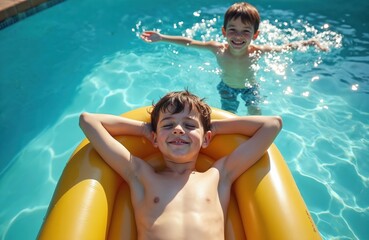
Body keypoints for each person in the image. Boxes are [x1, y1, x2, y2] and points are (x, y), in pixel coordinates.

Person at [79, 90, 282, 239]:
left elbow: (272, 124)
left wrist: (211, 128)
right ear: (155, 139)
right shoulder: (140, 174)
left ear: (206, 139)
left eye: (189, 125)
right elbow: (88, 121)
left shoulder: (219, 175)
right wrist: (145, 130)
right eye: (168, 125)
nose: (178, 129)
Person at [141, 2, 328, 115]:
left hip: (250, 88)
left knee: (255, 111)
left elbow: (285, 48)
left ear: (255, 35)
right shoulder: (217, 49)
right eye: (233, 30)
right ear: (224, 32)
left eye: (245, 31)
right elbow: (189, 42)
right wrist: (162, 37)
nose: (238, 36)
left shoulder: (258, 51)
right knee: (227, 114)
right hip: (226, 87)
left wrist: (310, 43)